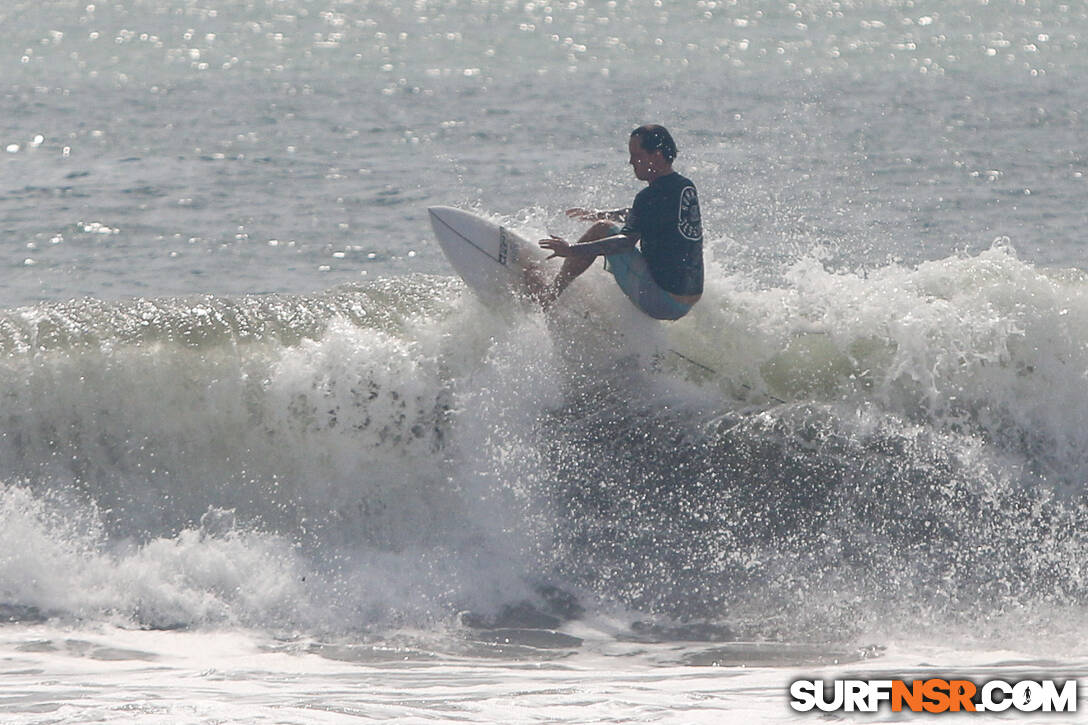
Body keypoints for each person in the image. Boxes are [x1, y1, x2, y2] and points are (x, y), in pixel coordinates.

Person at [531, 124, 703, 321]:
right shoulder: (684, 187)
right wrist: (602, 213)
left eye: (637, 156)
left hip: (661, 302)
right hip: (687, 299)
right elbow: (646, 214)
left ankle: (549, 296)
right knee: (604, 224)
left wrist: (572, 249)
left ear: (656, 155)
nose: (631, 162)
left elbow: (625, 242)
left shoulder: (649, 196)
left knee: (602, 229)